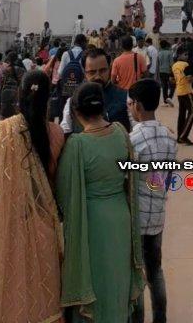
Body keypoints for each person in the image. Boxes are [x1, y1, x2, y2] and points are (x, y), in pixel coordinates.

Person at [0, 70, 64, 323]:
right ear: (48, 101)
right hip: (45, 227)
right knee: (42, 296)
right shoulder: (57, 134)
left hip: (6, 229)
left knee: (8, 293)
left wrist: (7, 191)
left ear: (18, 99)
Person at [57, 82, 144, 322]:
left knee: (95, 281)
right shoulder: (120, 133)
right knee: (117, 279)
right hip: (120, 216)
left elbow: (64, 193)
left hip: (92, 222)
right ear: (103, 106)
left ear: (75, 112)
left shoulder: (76, 145)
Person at [129, 79, 177, 323]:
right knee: (155, 270)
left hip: (136, 217)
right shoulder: (169, 138)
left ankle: (137, 318)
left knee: (136, 273)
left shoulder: (132, 140)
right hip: (157, 213)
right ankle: (160, 318)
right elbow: (166, 179)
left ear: (137, 105)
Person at [61, 48, 131, 134]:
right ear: (84, 73)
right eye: (92, 72)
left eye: (102, 71)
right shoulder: (72, 102)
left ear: (109, 69)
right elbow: (65, 131)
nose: (98, 76)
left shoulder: (126, 97)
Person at [172, 45, 193, 145]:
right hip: (187, 91)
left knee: (181, 114)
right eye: (185, 54)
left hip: (179, 92)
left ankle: (179, 136)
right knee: (192, 112)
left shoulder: (174, 65)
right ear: (179, 55)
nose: (187, 56)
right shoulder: (185, 64)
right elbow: (190, 78)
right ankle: (183, 136)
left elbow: (171, 80)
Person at [0, 50, 26, 119]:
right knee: (15, 114)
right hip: (16, 92)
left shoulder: (5, 70)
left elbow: (1, 82)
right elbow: (23, 82)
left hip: (5, 92)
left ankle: (4, 129)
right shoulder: (21, 70)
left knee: (4, 114)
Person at [157, 41, 174, 106]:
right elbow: (171, 64)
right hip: (168, 71)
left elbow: (158, 63)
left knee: (164, 86)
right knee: (172, 85)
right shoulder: (170, 53)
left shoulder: (159, 53)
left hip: (161, 71)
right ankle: (169, 97)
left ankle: (165, 101)